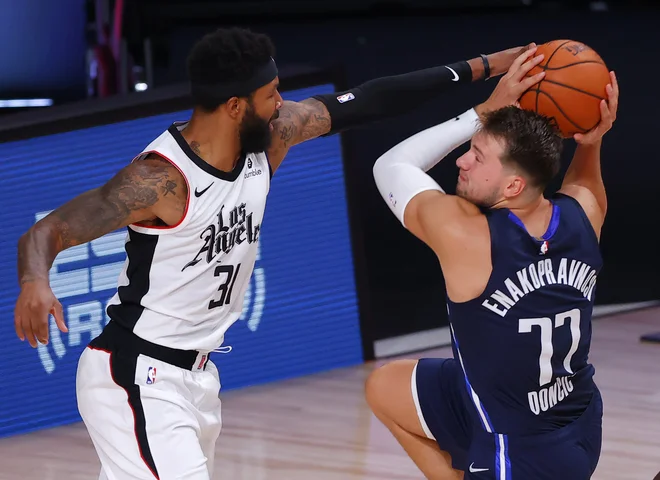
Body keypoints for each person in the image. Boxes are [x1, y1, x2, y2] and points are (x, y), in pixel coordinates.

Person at [13, 27, 529, 480]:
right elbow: (49, 231)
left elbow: (370, 100)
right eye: (271, 94)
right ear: (236, 106)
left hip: (197, 377)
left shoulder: (269, 140)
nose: (283, 103)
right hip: (135, 373)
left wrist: (482, 77)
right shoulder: (162, 180)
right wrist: (36, 281)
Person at [366, 47, 618, 480]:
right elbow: (582, 179)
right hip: (579, 418)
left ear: (514, 184)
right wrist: (591, 140)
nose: (461, 160)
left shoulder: (467, 235)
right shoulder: (585, 210)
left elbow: (391, 164)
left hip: (520, 450)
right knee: (386, 388)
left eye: (477, 155)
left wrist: (481, 111)